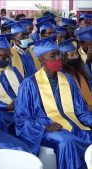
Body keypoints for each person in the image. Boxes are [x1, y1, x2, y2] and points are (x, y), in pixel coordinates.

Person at [15, 36, 92, 169]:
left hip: (73, 125)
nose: (58, 58)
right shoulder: (29, 84)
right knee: (66, 143)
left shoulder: (68, 80)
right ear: (41, 59)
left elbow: (80, 111)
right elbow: (22, 119)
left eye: (59, 54)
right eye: (53, 55)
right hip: (46, 130)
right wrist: (44, 126)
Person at [60, 38, 92, 112]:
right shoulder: (63, 77)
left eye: (76, 53)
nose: (76, 57)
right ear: (64, 59)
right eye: (71, 55)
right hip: (80, 111)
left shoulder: (82, 70)